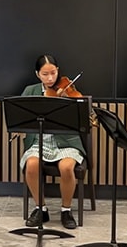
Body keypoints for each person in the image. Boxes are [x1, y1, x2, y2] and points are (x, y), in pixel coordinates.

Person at [20, 54, 86, 230]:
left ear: (58, 71)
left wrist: (69, 102)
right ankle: (40, 208)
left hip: (67, 142)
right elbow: (22, 117)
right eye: (45, 74)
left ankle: (66, 210)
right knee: (31, 164)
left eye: (53, 73)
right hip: (39, 141)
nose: (50, 78)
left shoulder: (68, 89)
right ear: (37, 74)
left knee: (66, 167)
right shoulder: (30, 91)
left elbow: (84, 119)